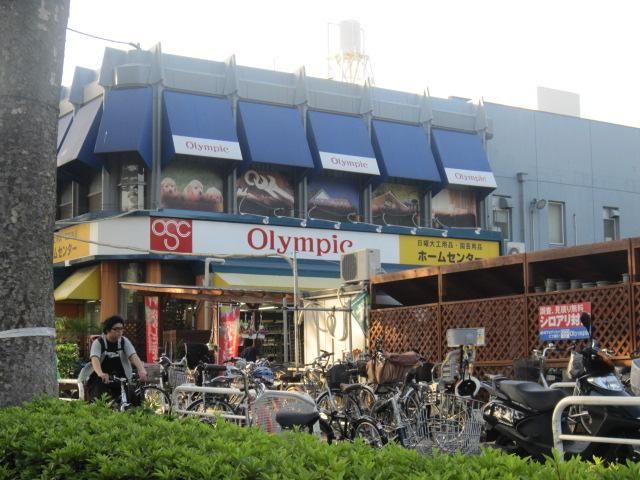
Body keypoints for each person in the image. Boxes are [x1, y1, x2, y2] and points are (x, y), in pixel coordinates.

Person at [85, 315, 147, 401]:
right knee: (101, 400)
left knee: (133, 400)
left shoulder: (124, 341)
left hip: (120, 379)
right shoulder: (98, 342)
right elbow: (95, 359)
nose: (119, 332)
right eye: (116, 329)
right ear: (107, 330)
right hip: (101, 379)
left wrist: (141, 370)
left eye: (121, 329)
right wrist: (100, 373)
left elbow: (133, 356)